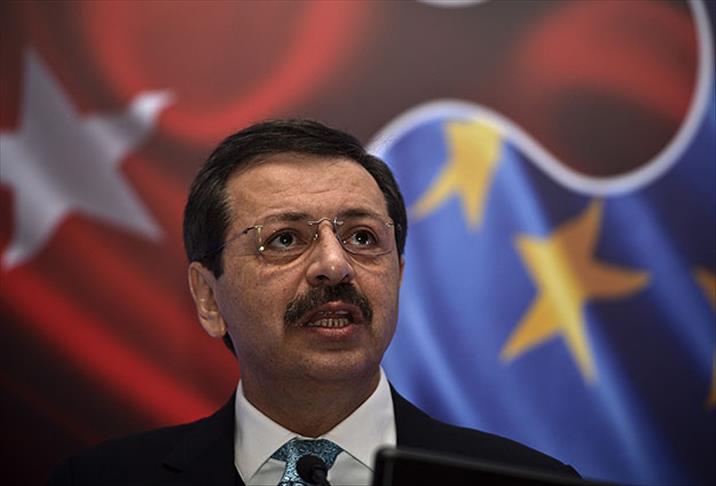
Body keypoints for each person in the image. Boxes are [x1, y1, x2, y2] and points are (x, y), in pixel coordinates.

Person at [49, 119, 579, 485]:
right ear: (209, 297)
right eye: (285, 239)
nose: (334, 264)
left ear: (398, 276)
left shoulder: (533, 484)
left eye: (362, 237)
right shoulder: (97, 482)